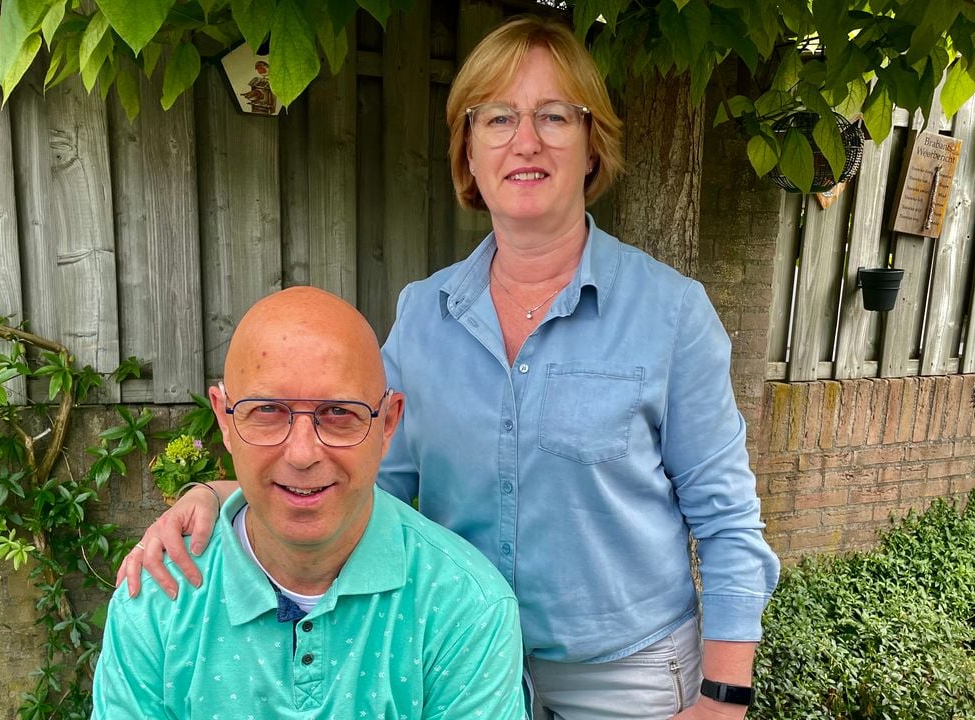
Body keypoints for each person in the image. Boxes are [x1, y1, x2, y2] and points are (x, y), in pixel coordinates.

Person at [119, 16, 779, 720]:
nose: (525, 140)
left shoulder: (670, 314)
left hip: (627, 680)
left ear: (592, 144)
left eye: (554, 115)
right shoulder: (424, 314)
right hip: (451, 658)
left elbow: (728, 518)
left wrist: (724, 697)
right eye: (496, 117)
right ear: (469, 150)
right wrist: (219, 494)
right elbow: (365, 471)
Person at [93, 287, 526, 719]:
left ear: (388, 424)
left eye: (339, 413)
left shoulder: (465, 609)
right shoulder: (156, 599)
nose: (302, 454)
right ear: (225, 419)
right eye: (267, 411)